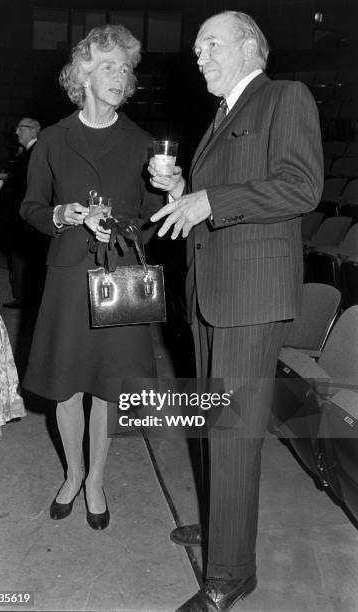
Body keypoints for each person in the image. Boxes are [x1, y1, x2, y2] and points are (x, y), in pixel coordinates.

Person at [149, 10, 323, 612]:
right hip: (212, 295)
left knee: (233, 433)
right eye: (197, 48)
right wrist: (180, 193)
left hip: (251, 296)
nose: (199, 57)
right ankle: (224, 524)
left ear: (250, 46)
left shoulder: (284, 97)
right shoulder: (222, 115)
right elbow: (218, 199)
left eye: (210, 45)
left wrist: (209, 200)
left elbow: (302, 186)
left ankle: (231, 573)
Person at [20, 24, 162, 530]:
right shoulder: (53, 141)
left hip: (119, 275)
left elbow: (152, 216)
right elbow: (32, 207)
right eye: (108, 66)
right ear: (82, 74)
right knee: (66, 386)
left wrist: (160, 199)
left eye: (126, 68)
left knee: (107, 385)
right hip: (67, 276)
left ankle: (97, 479)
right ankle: (73, 474)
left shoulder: (144, 144)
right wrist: (65, 215)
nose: (120, 77)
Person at [0, 117, 43, 308]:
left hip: (25, 217)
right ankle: (25, 296)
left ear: (33, 131)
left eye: (20, 128)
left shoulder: (35, 152)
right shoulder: (26, 153)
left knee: (23, 257)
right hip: (23, 216)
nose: (17, 132)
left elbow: (27, 185)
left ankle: (25, 298)